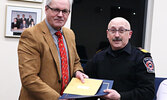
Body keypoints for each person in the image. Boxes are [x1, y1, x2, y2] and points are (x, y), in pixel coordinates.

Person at [17, 0, 88, 100]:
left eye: (64, 11)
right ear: (46, 9)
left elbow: (75, 61)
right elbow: (29, 78)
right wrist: (58, 98)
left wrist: (78, 72)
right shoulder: (31, 35)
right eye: (56, 10)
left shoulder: (70, 34)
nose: (60, 15)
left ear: (69, 13)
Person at [83, 17, 155, 100]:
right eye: (113, 31)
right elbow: (86, 83)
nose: (117, 35)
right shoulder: (98, 57)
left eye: (121, 31)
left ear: (130, 34)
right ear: (107, 34)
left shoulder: (141, 58)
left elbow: (148, 92)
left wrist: (120, 96)